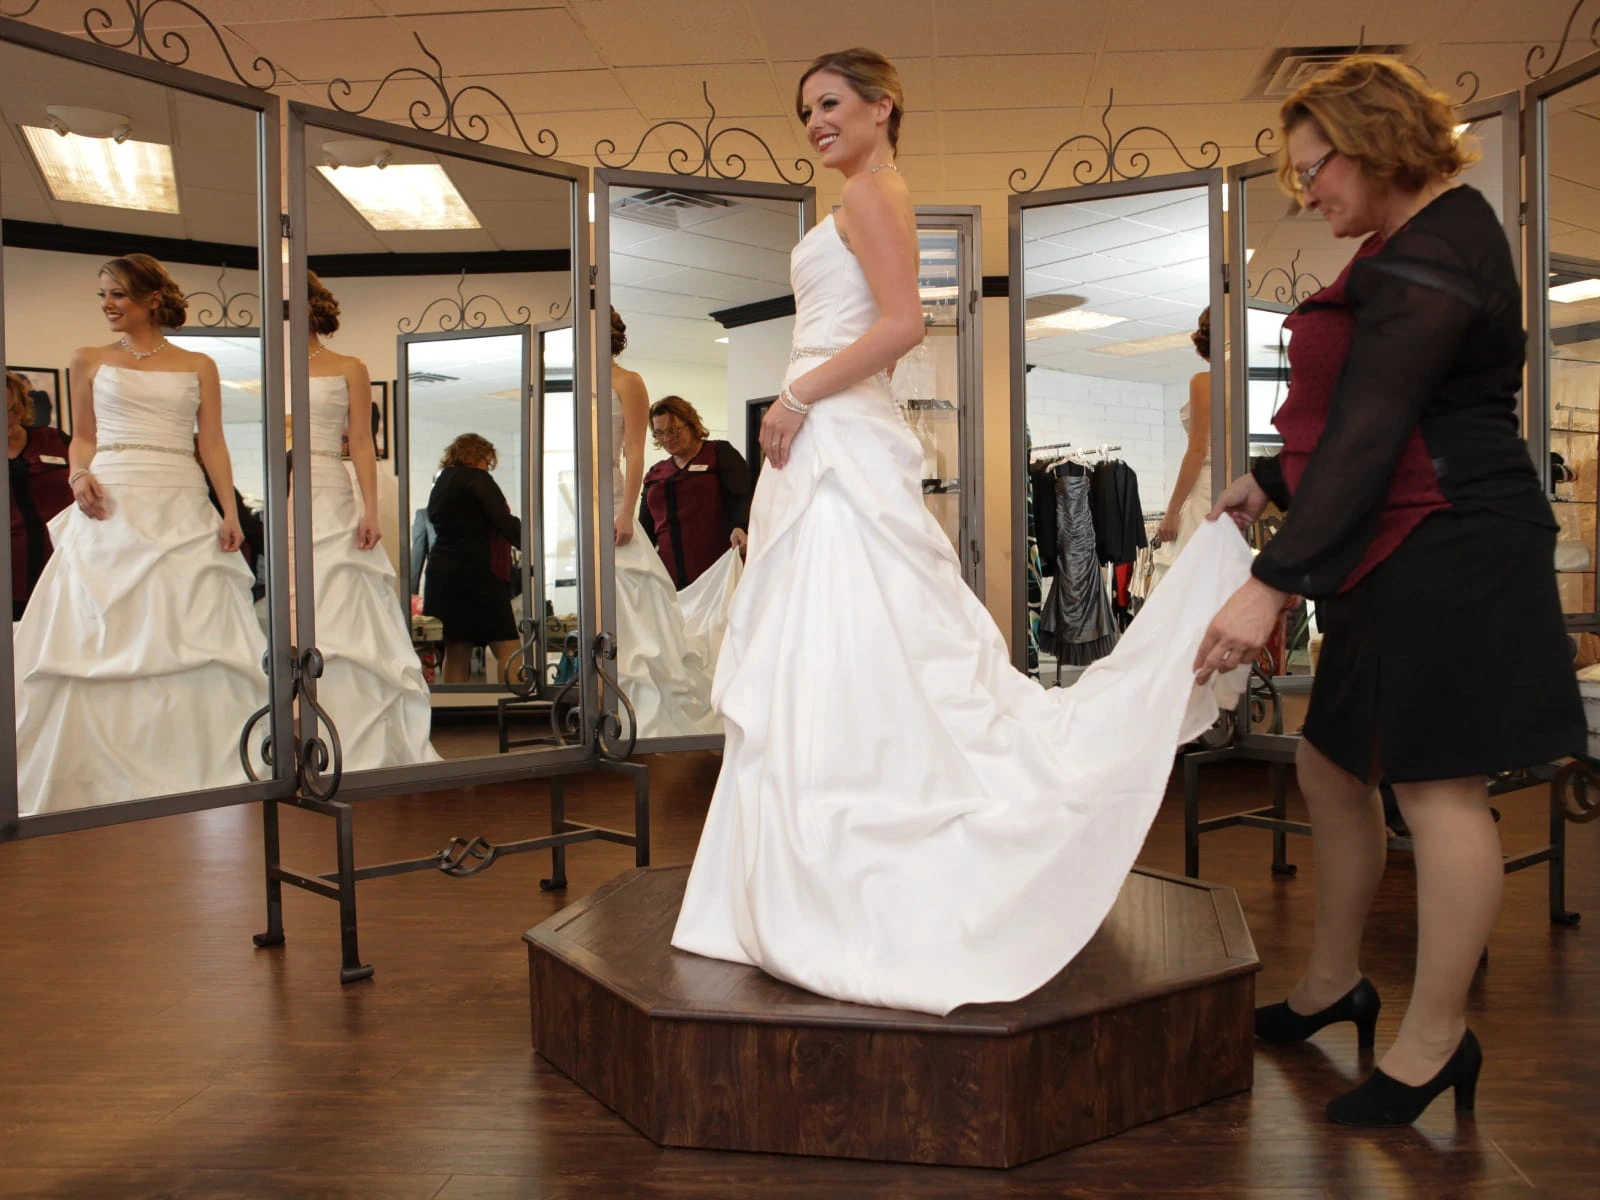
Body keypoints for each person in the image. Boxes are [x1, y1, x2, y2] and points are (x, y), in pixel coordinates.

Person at [671, 49, 1254, 1016]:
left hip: (836, 433)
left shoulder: (873, 194)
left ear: (879, 107)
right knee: (839, 649)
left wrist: (798, 392)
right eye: (804, 110)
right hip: (831, 444)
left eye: (830, 104)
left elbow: (902, 324)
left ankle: (840, 866)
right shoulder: (863, 195)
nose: (814, 122)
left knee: (852, 643)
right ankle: (809, 867)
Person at [1193, 57, 1585, 1127]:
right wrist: (1272, 476)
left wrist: (1271, 586)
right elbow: (1368, 408)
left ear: (1371, 146)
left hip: (1451, 543)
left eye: (1312, 168)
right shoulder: (1398, 247)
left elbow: (1379, 424)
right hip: (1387, 539)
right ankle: (1334, 984)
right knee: (1328, 768)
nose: (1306, 191)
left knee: (1439, 790)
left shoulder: (1445, 241)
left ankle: (1432, 1043)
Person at [14, 253, 267, 813]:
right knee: (106, 628)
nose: (107, 304)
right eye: (102, 294)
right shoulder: (88, 359)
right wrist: (79, 473)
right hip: (114, 498)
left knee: (186, 625)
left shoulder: (198, 363)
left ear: (152, 299)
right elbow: (83, 438)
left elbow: (213, 444)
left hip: (180, 496)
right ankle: (92, 771)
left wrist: (229, 510)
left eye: (119, 295)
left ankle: (196, 758)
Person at [302, 272, 438, 767]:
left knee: (343, 599)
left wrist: (367, 508)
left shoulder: (348, 367)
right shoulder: (268, 366)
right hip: (288, 490)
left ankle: (358, 724)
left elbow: (361, 441)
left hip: (331, 489)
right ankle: (298, 726)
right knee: (297, 605)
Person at [608, 309, 719, 737]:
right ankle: (607, 708)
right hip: (585, 501)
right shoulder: (579, 383)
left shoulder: (627, 382)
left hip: (613, 497)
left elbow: (635, 450)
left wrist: (625, 511)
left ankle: (644, 712)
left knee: (633, 607)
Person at [422, 432, 522, 685]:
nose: (487, 467)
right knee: (509, 649)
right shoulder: (478, 480)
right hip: (479, 576)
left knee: (457, 649)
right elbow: (503, 521)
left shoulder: (442, 481)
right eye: (488, 462)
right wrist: (531, 539)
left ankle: (459, 715)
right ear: (479, 456)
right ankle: (510, 711)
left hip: (443, 577)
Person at [638, 394, 752, 589]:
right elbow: (645, 530)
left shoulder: (719, 453)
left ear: (690, 424)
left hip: (717, 574)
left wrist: (740, 526)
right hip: (669, 579)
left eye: (674, 430)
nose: (668, 439)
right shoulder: (656, 473)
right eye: (660, 433)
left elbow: (743, 497)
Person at [8, 370, 73, 620]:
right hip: (13, 574)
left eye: (11, 410)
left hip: (62, 562)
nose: (7, 419)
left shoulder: (54, 440)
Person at [1156, 307, 1214, 554]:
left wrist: (1171, 512)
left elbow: (1197, 451)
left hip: (1207, 486)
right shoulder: (1245, 380)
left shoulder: (1203, 382)